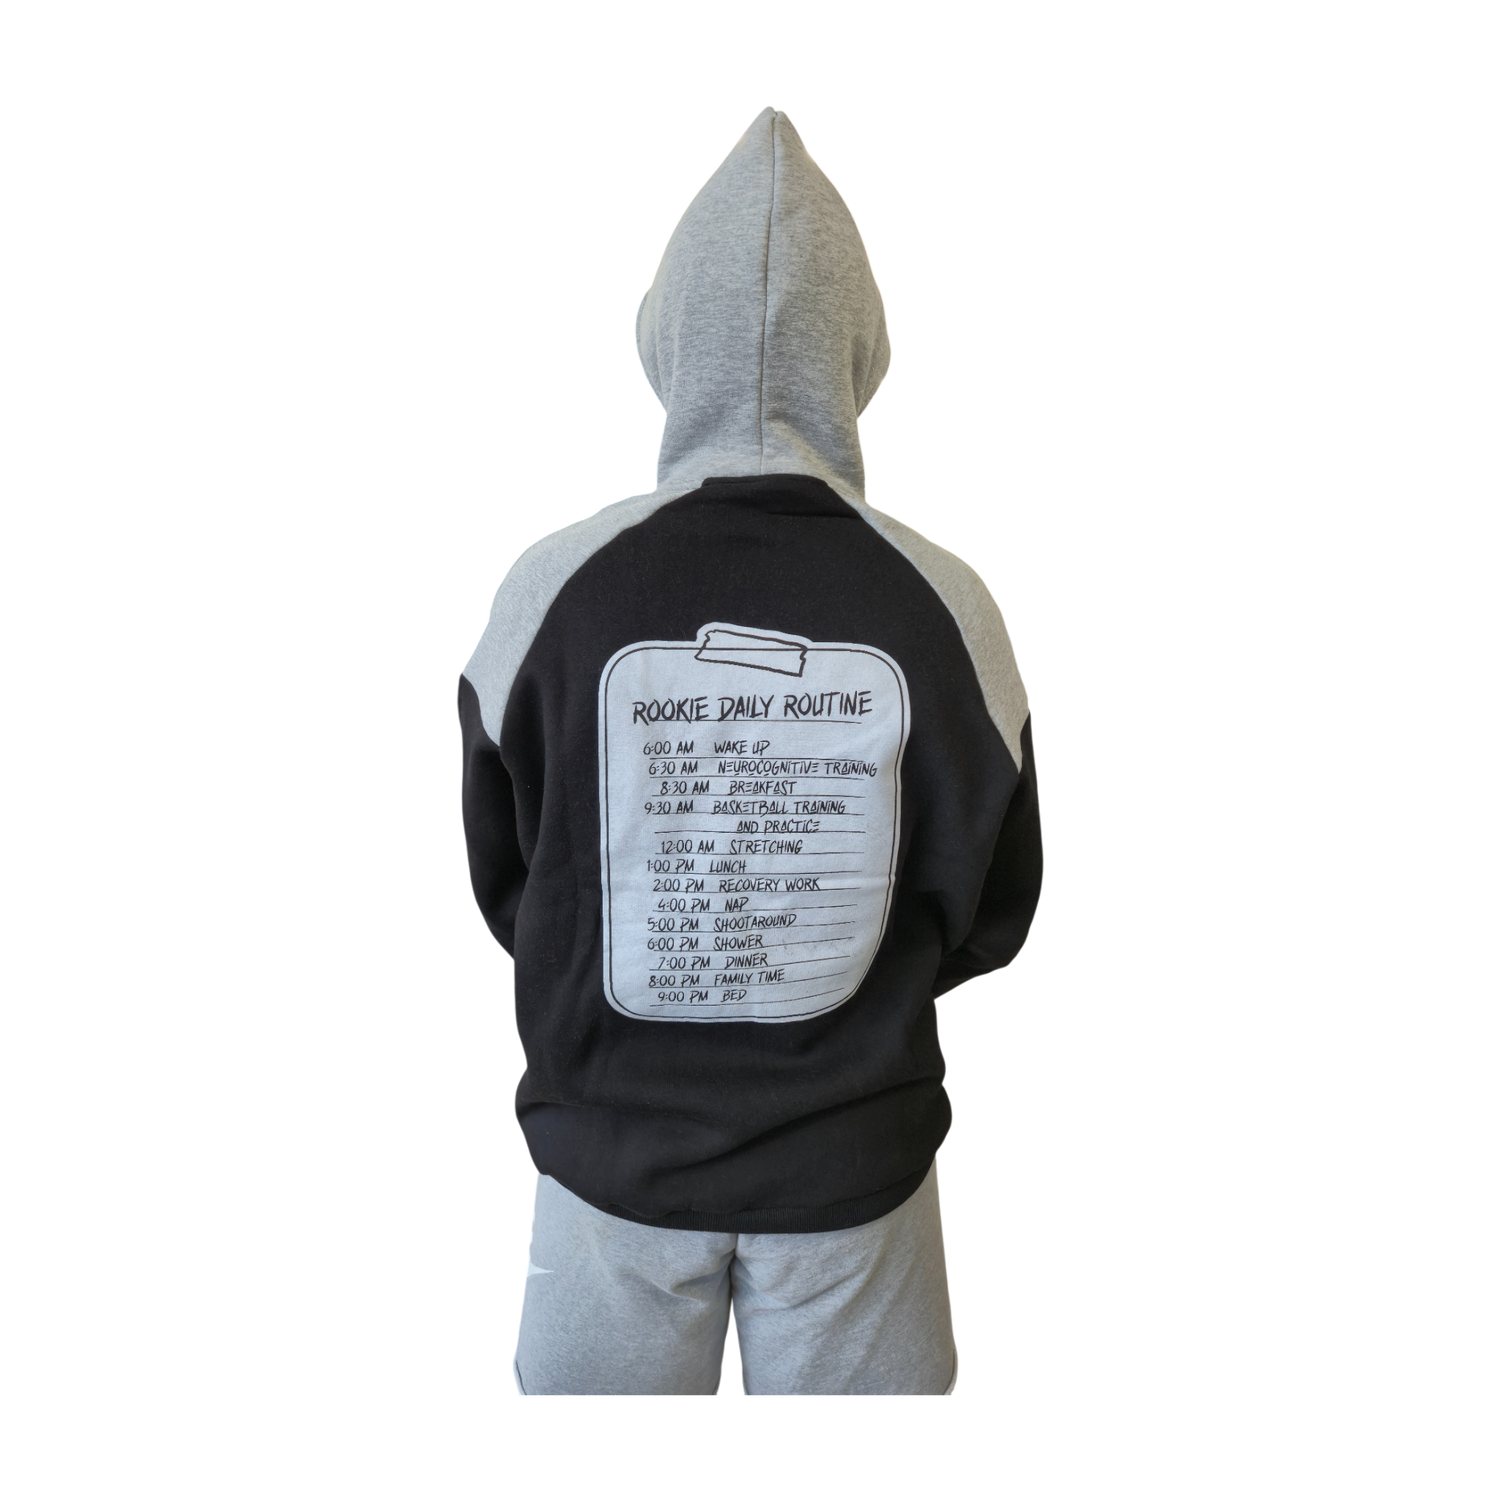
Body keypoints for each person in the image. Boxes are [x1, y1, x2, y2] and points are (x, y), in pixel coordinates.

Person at [457, 103, 1043, 1398]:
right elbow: (995, 905)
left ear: (662, 336)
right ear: (863, 345)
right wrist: (845, 985)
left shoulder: (550, 583)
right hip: (855, 1166)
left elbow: (505, 875)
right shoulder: (950, 600)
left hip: (608, 1161)